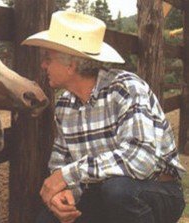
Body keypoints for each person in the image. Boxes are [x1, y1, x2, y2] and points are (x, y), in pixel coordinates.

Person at [22, 11, 186, 223]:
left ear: (71, 65)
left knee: (119, 191)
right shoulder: (64, 106)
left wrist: (67, 176)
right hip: (103, 192)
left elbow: (141, 160)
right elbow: (60, 161)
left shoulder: (126, 89)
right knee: (48, 220)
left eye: (48, 59)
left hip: (155, 190)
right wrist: (66, 192)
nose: (43, 65)